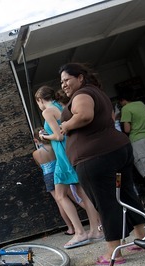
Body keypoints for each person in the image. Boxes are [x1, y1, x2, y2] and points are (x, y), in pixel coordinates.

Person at [59, 63, 145, 265]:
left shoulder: (82, 95)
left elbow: (85, 116)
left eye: (67, 80)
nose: (63, 85)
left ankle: (112, 252)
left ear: (80, 78)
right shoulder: (98, 93)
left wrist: (65, 125)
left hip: (95, 157)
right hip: (117, 150)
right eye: (61, 82)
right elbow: (109, 118)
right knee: (126, 194)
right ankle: (142, 238)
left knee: (105, 204)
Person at [35, 86, 103, 249]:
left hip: (63, 156)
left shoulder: (47, 111)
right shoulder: (60, 106)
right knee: (83, 193)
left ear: (40, 100)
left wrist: (44, 136)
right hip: (71, 151)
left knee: (60, 195)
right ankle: (96, 230)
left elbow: (58, 135)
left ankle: (79, 232)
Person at [32, 127, 75, 235]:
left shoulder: (36, 153)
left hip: (48, 176)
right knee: (74, 197)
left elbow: (40, 166)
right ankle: (96, 219)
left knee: (60, 202)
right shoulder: (53, 147)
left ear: (35, 140)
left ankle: (70, 228)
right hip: (59, 172)